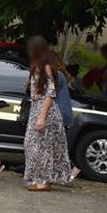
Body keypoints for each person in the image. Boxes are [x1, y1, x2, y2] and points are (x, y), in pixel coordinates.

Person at [23, 36, 74, 191]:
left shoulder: (46, 68)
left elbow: (50, 93)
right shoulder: (37, 66)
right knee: (32, 145)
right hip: (37, 109)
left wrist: (42, 116)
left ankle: (43, 181)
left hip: (45, 111)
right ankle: (40, 178)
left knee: (42, 147)